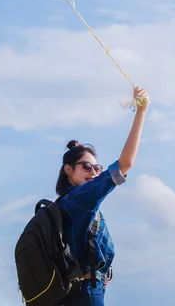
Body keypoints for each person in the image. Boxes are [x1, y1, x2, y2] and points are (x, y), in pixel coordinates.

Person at [56, 86, 149, 305]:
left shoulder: (67, 204)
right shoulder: (80, 199)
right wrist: (141, 113)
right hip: (85, 293)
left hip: (75, 292)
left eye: (97, 168)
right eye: (86, 166)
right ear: (68, 170)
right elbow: (124, 165)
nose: (94, 172)